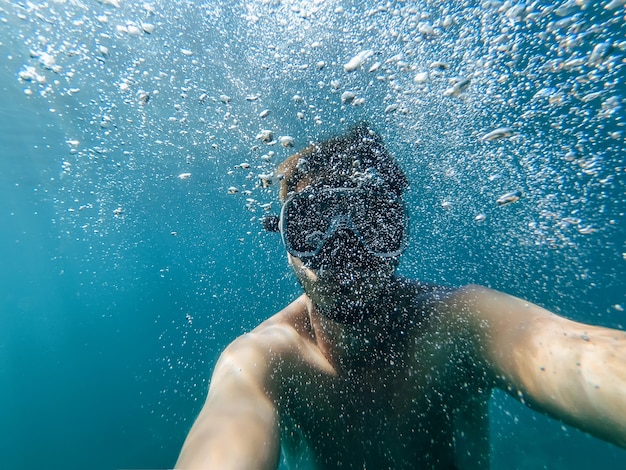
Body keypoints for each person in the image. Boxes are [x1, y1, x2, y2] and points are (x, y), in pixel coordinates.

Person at [176, 123, 626, 469]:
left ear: (401, 231)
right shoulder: (263, 361)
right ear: (285, 237)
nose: (344, 249)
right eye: (313, 223)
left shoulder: (461, 323)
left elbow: (571, 352)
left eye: (371, 219)